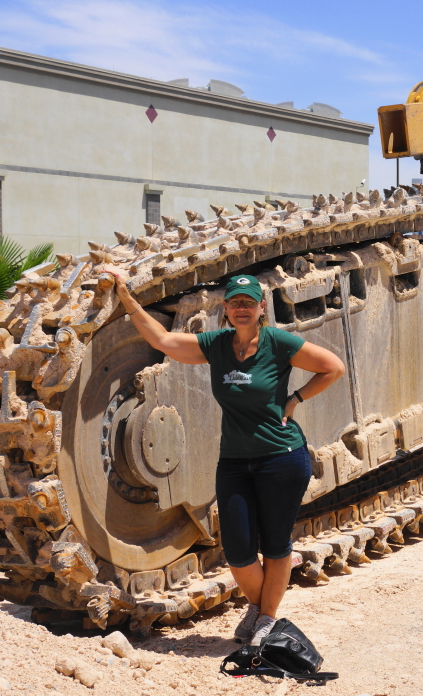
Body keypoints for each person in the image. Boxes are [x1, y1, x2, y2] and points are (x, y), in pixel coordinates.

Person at [105, 270, 345, 645]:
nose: (242, 308)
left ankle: (265, 618)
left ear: (261, 307)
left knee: (277, 544)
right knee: (237, 553)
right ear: (226, 310)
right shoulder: (217, 345)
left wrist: (294, 400)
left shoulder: (278, 343)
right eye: (235, 303)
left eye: (249, 302)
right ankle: (260, 606)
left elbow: (333, 367)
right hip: (234, 460)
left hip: (281, 457)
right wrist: (127, 298)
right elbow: (165, 340)